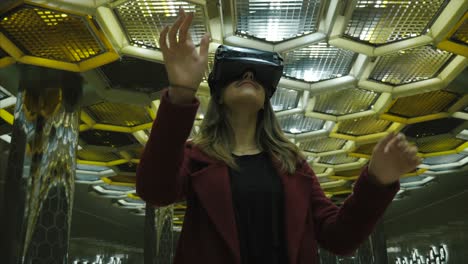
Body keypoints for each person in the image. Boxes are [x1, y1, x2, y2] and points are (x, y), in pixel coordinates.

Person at [136, 8, 421, 264]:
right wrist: (181, 93)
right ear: (219, 96)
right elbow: (155, 190)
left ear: (266, 101)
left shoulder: (293, 164)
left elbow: (339, 238)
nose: (249, 75)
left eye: (258, 76)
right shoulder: (195, 158)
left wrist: (377, 182)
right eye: (237, 74)